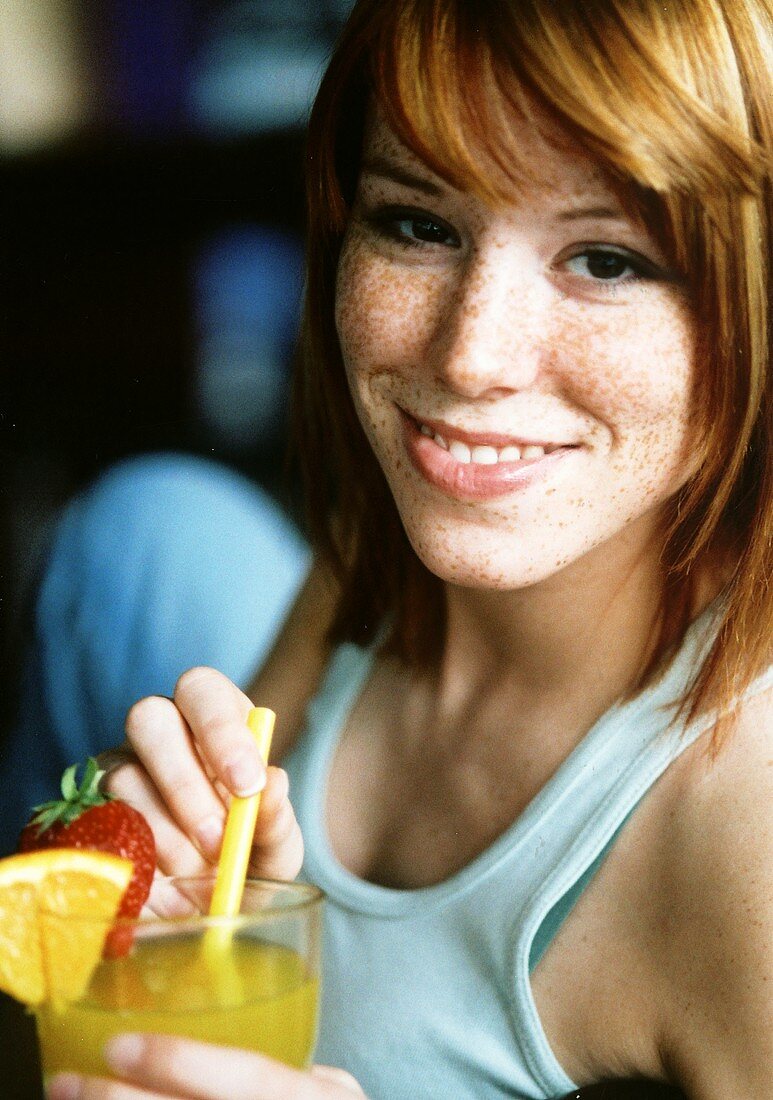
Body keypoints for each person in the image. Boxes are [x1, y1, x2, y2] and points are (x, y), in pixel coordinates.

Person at [44, 0, 771, 1097]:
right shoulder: (386, 543)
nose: (469, 356)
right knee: (146, 526)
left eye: (607, 259)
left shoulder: (743, 834)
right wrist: (103, 909)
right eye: (418, 225)